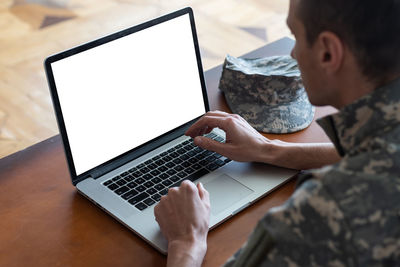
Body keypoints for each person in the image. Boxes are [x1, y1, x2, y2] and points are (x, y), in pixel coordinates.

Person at [154, 0, 400, 266]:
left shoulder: (326, 209)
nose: (292, 54)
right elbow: (375, 151)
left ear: (328, 53)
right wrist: (268, 149)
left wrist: (186, 243)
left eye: (295, 36)